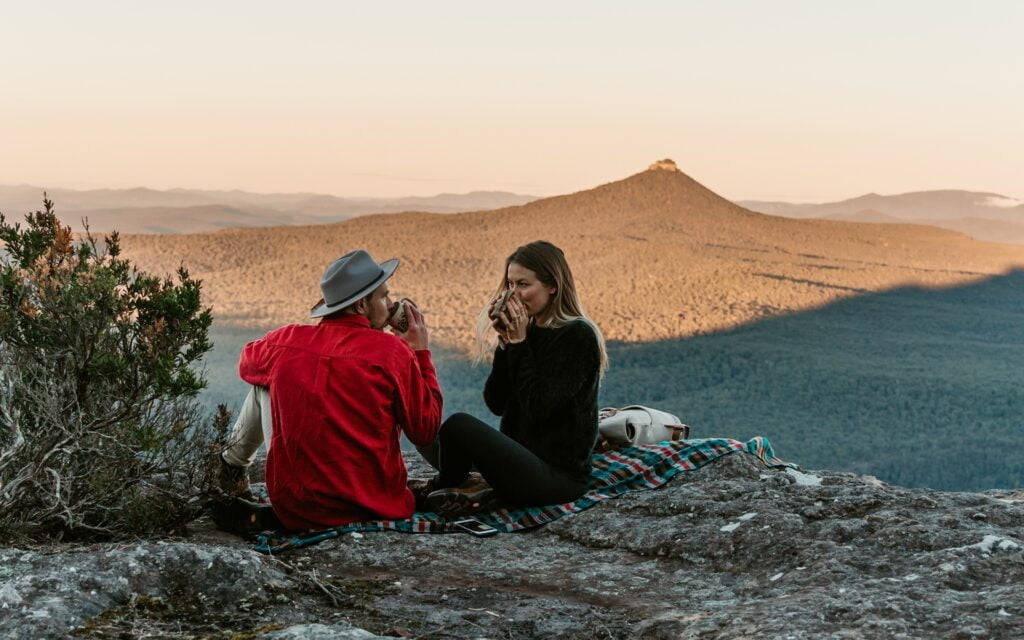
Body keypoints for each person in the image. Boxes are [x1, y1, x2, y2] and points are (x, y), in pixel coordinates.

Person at [214, 249, 443, 531]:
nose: (392, 303)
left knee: (266, 382)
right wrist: (420, 353)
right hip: (376, 504)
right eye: (384, 296)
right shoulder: (393, 353)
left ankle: (231, 468)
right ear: (361, 305)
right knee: (273, 377)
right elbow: (426, 430)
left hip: (297, 508)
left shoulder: (287, 341)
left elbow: (247, 364)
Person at [418, 240, 608, 514]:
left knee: (460, 424)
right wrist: (506, 344)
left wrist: (518, 344)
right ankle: (455, 486)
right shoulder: (527, 331)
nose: (513, 294)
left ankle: (444, 488)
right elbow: (496, 402)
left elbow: (540, 408)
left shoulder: (577, 336)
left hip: (557, 479)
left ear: (553, 285)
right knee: (448, 430)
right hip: (523, 463)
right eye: (510, 284)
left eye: (523, 285)